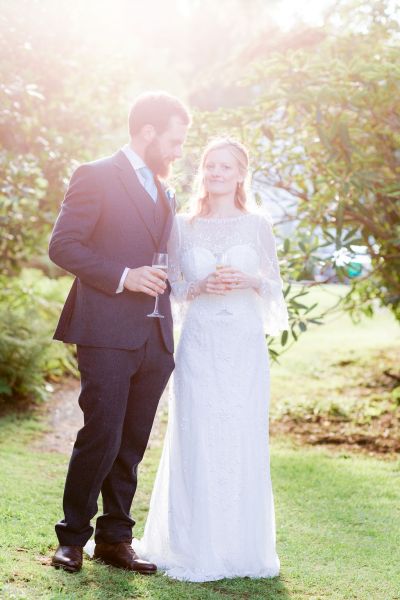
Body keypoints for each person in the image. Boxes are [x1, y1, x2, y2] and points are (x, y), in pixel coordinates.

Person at [133, 137, 289, 582]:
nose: (216, 172)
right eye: (209, 165)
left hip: (242, 343)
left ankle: (242, 546)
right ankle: (192, 542)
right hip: (200, 342)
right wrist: (198, 287)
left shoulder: (258, 224)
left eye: (225, 166)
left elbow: (275, 293)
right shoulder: (183, 224)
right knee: (197, 431)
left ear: (241, 174)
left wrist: (251, 278)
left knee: (240, 432)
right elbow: (174, 289)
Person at [48, 92, 190, 574]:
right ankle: (71, 539)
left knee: (132, 441)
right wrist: (124, 275)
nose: (177, 151)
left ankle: (115, 540)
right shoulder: (95, 175)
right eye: (173, 140)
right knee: (101, 434)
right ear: (147, 132)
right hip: (105, 330)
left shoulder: (165, 190)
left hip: (155, 336)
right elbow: (63, 246)